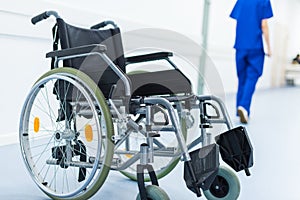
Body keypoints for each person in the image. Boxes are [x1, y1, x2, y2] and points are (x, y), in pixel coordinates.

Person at [230, 0, 273, 123]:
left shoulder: (241, 1)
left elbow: (239, 21)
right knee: (252, 76)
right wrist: (269, 47)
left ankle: (240, 107)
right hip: (255, 46)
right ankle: (244, 106)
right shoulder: (263, 1)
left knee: (242, 78)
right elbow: (264, 25)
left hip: (240, 46)